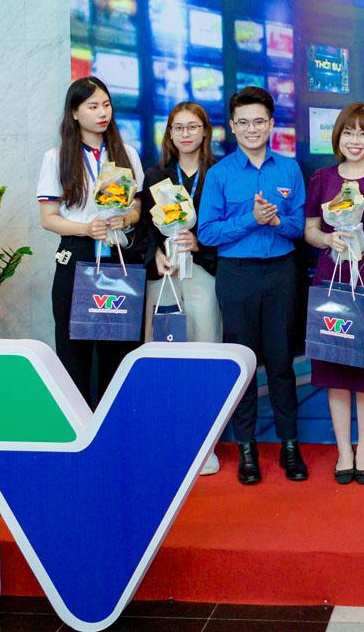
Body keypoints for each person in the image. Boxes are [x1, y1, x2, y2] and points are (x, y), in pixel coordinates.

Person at [198, 86, 307, 486]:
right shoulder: (220, 174)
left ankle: (290, 446)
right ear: (232, 126)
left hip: (281, 273)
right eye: (243, 122)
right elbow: (207, 233)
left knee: (281, 364)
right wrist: (251, 219)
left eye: (259, 121)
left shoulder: (289, 169)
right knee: (244, 365)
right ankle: (247, 449)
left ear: (271, 124)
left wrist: (277, 221)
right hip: (237, 275)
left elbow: (299, 226)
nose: (251, 129)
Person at [304, 102, 364, 485]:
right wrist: (328, 239)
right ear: (338, 137)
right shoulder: (322, 179)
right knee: (335, 371)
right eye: (349, 132)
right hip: (330, 283)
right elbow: (310, 230)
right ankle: (344, 450)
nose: (355, 140)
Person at [37, 77, 144, 406]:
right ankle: (80, 426)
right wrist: (85, 229)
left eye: (106, 105)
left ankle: (116, 425)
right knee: (75, 351)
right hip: (78, 255)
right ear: (74, 112)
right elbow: (48, 218)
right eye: (93, 106)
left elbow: (138, 208)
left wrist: (126, 219)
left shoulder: (127, 153)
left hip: (118, 255)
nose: (102, 113)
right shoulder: (57, 157)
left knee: (119, 348)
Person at [141, 101, 222, 475]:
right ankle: (165, 439)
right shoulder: (156, 175)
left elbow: (225, 225)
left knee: (205, 353)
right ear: (169, 133)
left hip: (203, 273)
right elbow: (143, 227)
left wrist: (200, 244)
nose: (186, 134)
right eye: (179, 127)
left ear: (205, 131)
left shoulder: (218, 173)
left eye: (193, 127)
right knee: (163, 354)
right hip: (165, 275)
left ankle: (205, 445)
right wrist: (155, 253)